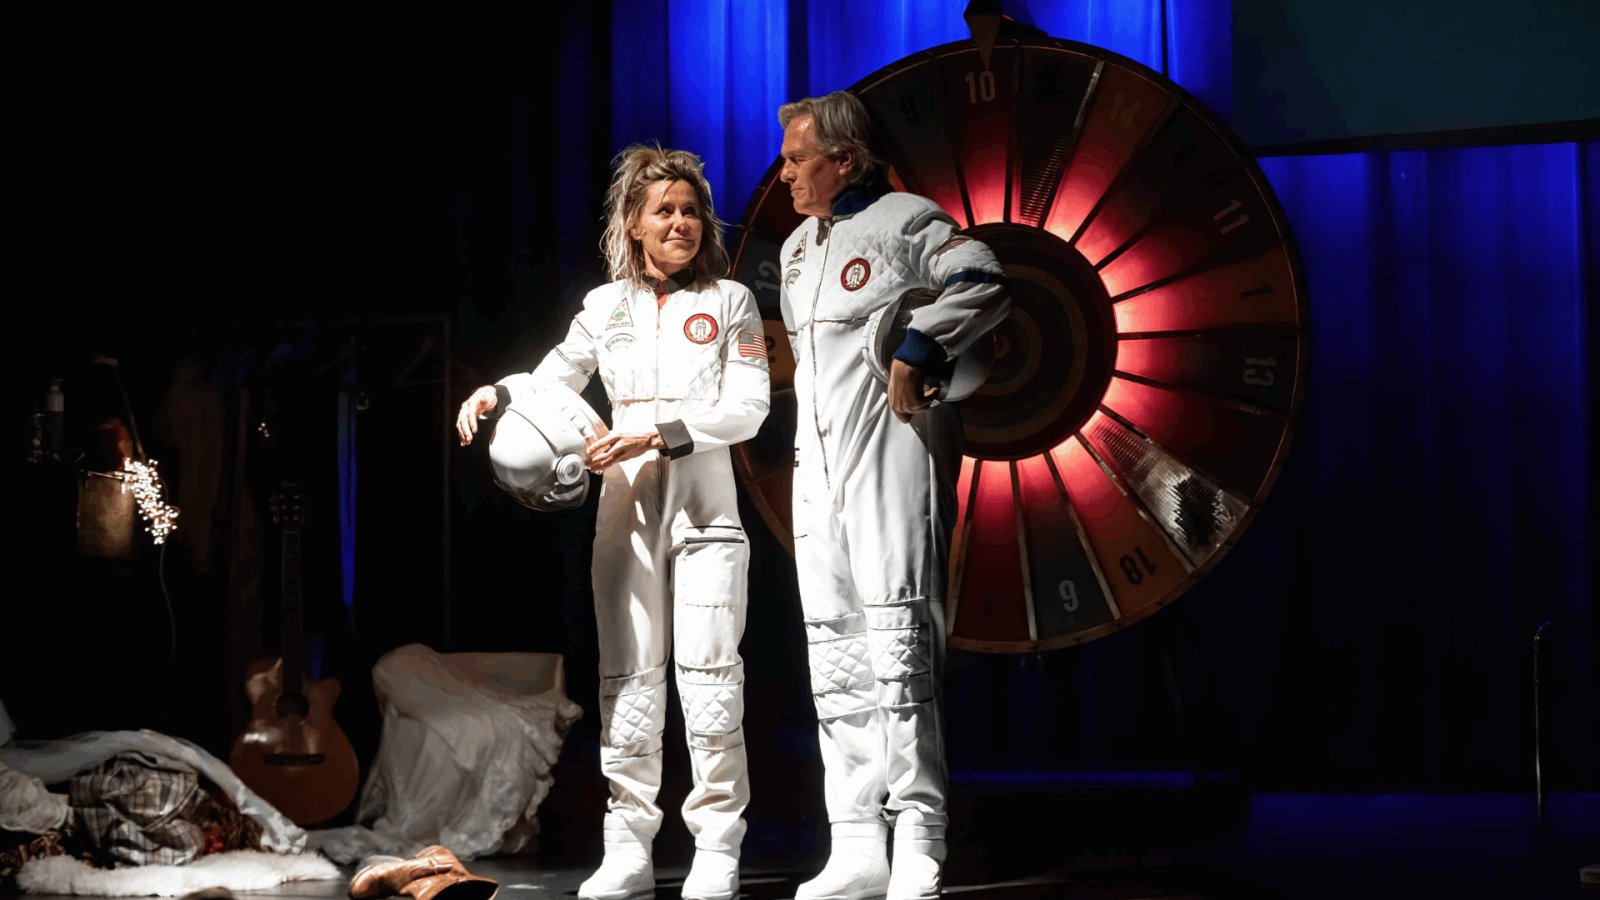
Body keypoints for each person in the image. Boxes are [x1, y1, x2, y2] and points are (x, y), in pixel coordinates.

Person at [456, 145, 769, 900]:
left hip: (705, 511)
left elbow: (749, 408)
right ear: (633, 223)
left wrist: (657, 433)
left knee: (711, 680)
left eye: (691, 211)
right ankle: (628, 849)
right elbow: (552, 377)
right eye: (664, 211)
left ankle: (716, 849)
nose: (680, 223)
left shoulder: (730, 300)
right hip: (626, 510)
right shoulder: (605, 308)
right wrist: (497, 394)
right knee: (627, 681)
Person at [775, 91, 1010, 900]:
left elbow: (982, 277)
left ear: (844, 159)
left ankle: (919, 838)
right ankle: (855, 842)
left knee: (899, 643)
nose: (786, 173)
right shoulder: (797, 250)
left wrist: (920, 345)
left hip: (893, 453)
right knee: (835, 651)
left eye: (798, 159)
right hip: (818, 465)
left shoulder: (906, 220)